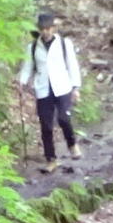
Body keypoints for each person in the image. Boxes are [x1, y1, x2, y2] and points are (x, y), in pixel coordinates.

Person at [20, 19, 83, 164]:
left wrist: (76, 87)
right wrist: (22, 83)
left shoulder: (64, 44)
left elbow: (72, 65)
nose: (45, 31)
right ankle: (51, 159)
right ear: (39, 29)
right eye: (42, 28)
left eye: (48, 28)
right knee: (46, 125)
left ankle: (72, 144)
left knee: (63, 118)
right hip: (43, 88)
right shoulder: (33, 47)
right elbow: (27, 67)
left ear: (53, 28)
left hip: (63, 87)